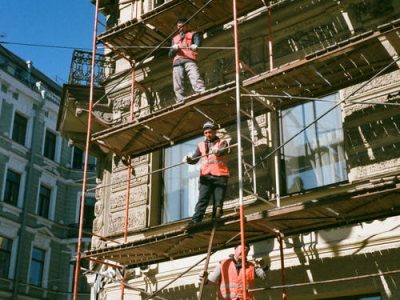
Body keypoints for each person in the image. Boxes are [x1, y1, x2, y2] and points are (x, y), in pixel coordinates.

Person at [183, 121, 229, 226]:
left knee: (218, 200)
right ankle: (196, 220)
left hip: (220, 174)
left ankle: (216, 218)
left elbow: (223, 151)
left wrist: (218, 151)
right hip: (205, 176)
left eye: (210, 132)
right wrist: (189, 160)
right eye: (206, 132)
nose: (208, 134)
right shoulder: (201, 145)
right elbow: (195, 158)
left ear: (215, 132)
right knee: (202, 199)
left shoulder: (222, 142)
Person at [202, 243, 268, 300]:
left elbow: (263, 276)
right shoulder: (223, 265)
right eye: (242, 248)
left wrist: (262, 266)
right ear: (235, 249)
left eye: (246, 250)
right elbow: (210, 284)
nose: (243, 251)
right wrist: (205, 280)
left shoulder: (251, 267)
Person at [168, 16, 205, 103]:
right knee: (178, 81)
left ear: (187, 26)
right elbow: (170, 55)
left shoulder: (193, 34)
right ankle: (180, 99)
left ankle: (200, 91)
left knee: (194, 75)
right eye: (178, 27)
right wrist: (173, 49)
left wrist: (196, 45)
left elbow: (198, 42)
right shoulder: (174, 38)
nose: (180, 28)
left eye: (182, 26)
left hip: (189, 59)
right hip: (177, 61)